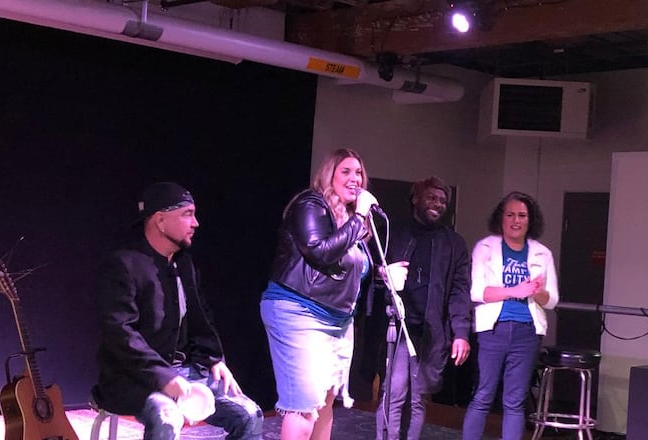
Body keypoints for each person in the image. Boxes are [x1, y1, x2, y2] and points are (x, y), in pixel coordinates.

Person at [94, 181, 263, 440]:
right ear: (160, 220)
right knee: (167, 418)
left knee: (249, 414)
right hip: (135, 379)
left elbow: (201, 318)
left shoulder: (185, 264)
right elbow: (121, 333)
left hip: (185, 374)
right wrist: (163, 377)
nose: (195, 223)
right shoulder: (123, 265)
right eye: (187, 214)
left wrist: (214, 359)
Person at [260, 148, 377, 440]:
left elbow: (347, 270)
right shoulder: (311, 204)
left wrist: (383, 275)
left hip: (336, 322)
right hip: (299, 312)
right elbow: (319, 251)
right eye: (345, 172)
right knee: (304, 408)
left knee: (325, 405)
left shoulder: (352, 221)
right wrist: (359, 216)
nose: (355, 179)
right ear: (330, 176)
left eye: (359, 172)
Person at [373, 176, 472, 440]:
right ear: (416, 199)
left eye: (442, 200)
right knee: (393, 395)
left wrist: (461, 332)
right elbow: (374, 276)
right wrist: (382, 274)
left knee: (417, 400)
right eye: (431, 197)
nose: (437, 204)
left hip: (431, 335)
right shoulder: (395, 236)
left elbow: (459, 291)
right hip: (399, 329)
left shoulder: (454, 244)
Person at [461, 191, 559, 440]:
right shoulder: (485, 247)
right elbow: (476, 292)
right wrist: (515, 290)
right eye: (511, 214)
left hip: (527, 332)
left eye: (522, 215)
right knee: (483, 394)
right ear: (501, 218)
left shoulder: (542, 253)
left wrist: (536, 292)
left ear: (530, 220)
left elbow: (552, 300)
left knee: (515, 401)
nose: (516, 220)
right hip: (493, 330)